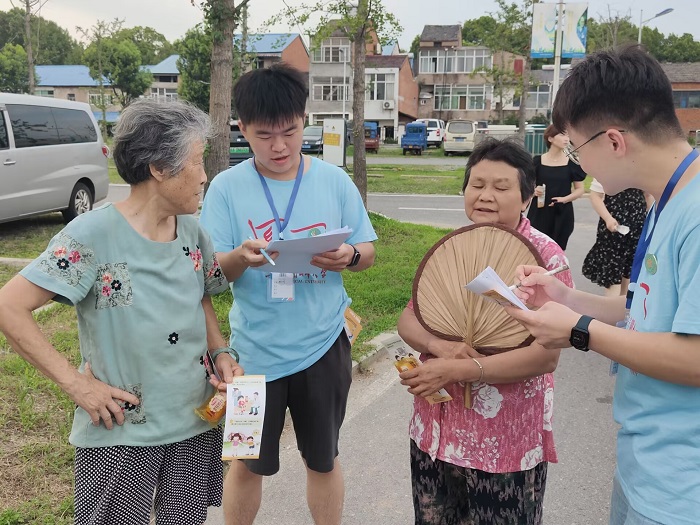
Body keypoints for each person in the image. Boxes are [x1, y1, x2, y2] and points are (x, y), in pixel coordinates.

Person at [0, 99, 244, 525]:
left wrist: (221, 352)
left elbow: (201, 296)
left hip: (195, 420)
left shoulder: (192, 231)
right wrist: (76, 384)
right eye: (196, 162)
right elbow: (9, 306)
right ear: (159, 168)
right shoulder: (92, 235)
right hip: (121, 432)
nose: (205, 175)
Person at [505, 45, 700, 525]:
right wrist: (564, 297)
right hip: (648, 465)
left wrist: (579, 331)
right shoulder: (668, 199)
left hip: (683, 487)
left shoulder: (695, 213)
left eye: (577, 147)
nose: (579, 162)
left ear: (613, 141)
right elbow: (645, 309)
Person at [199, 62, 377, 525]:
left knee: (323, 458)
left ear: (304, 120)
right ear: (241, 128)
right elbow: (211, 273)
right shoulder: (226, 188)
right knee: (244, 460)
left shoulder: (334, 181)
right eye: (263, 135)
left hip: (323, 346)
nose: (279, 146)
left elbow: (368, 251)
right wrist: (241, 257)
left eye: (290, 132)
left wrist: (349, 256)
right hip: (251, 355)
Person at [397, 137, 574, 524]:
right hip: (434, 432)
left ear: (526, 197)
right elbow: (409, 319)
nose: (485, 196)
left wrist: (463, 369)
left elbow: (546, 357)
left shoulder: (546, 258)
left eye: (501, 187)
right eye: (476, 184)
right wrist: (440, 346)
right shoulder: (454, 247)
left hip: (503, 445)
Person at [582, 179, 648, 297]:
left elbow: (648, 195)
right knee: (612, 273)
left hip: (637, 225)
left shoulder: (642, 169)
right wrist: (608, 218)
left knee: (629, 271)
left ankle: (623, 304)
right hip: (613, 227)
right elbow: (595, 196)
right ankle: (612, 306)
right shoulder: (607, 169)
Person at [526, 124, 586, 250]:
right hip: (539, 212)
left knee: (557, 251)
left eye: (568, 136)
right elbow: (527, 185)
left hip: (562, 213)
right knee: (536, 250)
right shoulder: (537, 162)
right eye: (562, 135)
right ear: (550, 138)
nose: (566, 139)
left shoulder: (572, 164)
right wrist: (534, 190)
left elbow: (580, 189)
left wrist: (564, 199)